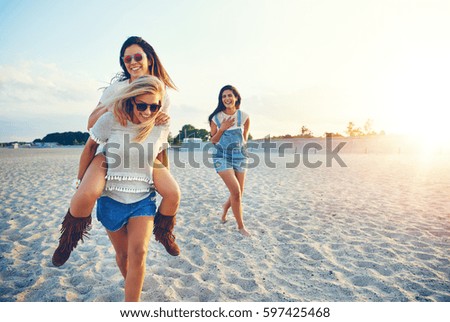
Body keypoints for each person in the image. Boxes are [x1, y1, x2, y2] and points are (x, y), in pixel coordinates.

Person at [52, 36, 180, 267]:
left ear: (149, 59)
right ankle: (68, 239)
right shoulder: (117, 88)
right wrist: (116, 105)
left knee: (173, 192)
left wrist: (160, 117)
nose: (132, 62)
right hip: (111, 151)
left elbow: (161, 132)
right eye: (127, 58)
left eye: (137, 57)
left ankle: (164, 232)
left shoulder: (161, 91)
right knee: (86, 193)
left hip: (145, 152)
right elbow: (91, 123)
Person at [91, 75, 172, 301]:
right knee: (124, 253)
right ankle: (132, 286)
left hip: (143, 199)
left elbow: (161, 154)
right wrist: (82, 186)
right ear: (131, 100)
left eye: (154, 106)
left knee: (139, 253)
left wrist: (164, 177)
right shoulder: (112, 120)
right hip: (111, 197)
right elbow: (90, 148)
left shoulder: (161, 123)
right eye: (142, 105)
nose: (148, 112)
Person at [208, 85, 251, 237]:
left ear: (236, 98)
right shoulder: (216, 118)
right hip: (222, 156)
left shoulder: (244, 117)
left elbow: (244, 138)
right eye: (223, 96)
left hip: (240, 156)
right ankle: (241, 227)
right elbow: (213, 140)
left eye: (229, 95)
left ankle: (225, 209)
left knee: (238, 193)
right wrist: (222, 129)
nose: (226, 99)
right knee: (236, 191)